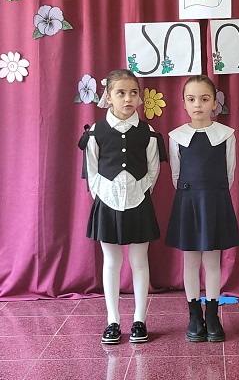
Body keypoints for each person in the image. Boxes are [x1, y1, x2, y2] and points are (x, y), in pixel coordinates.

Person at [78, 69, 167, 344]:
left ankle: (140, 319)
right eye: (120, 93)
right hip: (107, 202)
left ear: (140, 97)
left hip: (139, 201)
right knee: (112, 262)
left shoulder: (148, 132)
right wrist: (104, 194)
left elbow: (153, 169)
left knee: (140, 262)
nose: (128, 98)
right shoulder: (96, 132)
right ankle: (113, 320)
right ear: (108, 97)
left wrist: (140, 191)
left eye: (133, 93)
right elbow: (91, 171)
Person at [166, 75, 239, 343]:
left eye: (204, 99)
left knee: (212, 260)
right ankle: (194, 316)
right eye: (192, 99)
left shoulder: (226, 135)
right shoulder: (176, 137)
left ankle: (212, 315)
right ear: (184, 103)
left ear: (214, 103)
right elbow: (176, 174)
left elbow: (229, 173)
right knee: (191, 260)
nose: (198, 104)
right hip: (188, 201)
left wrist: (213, 194)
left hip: (215, 200)